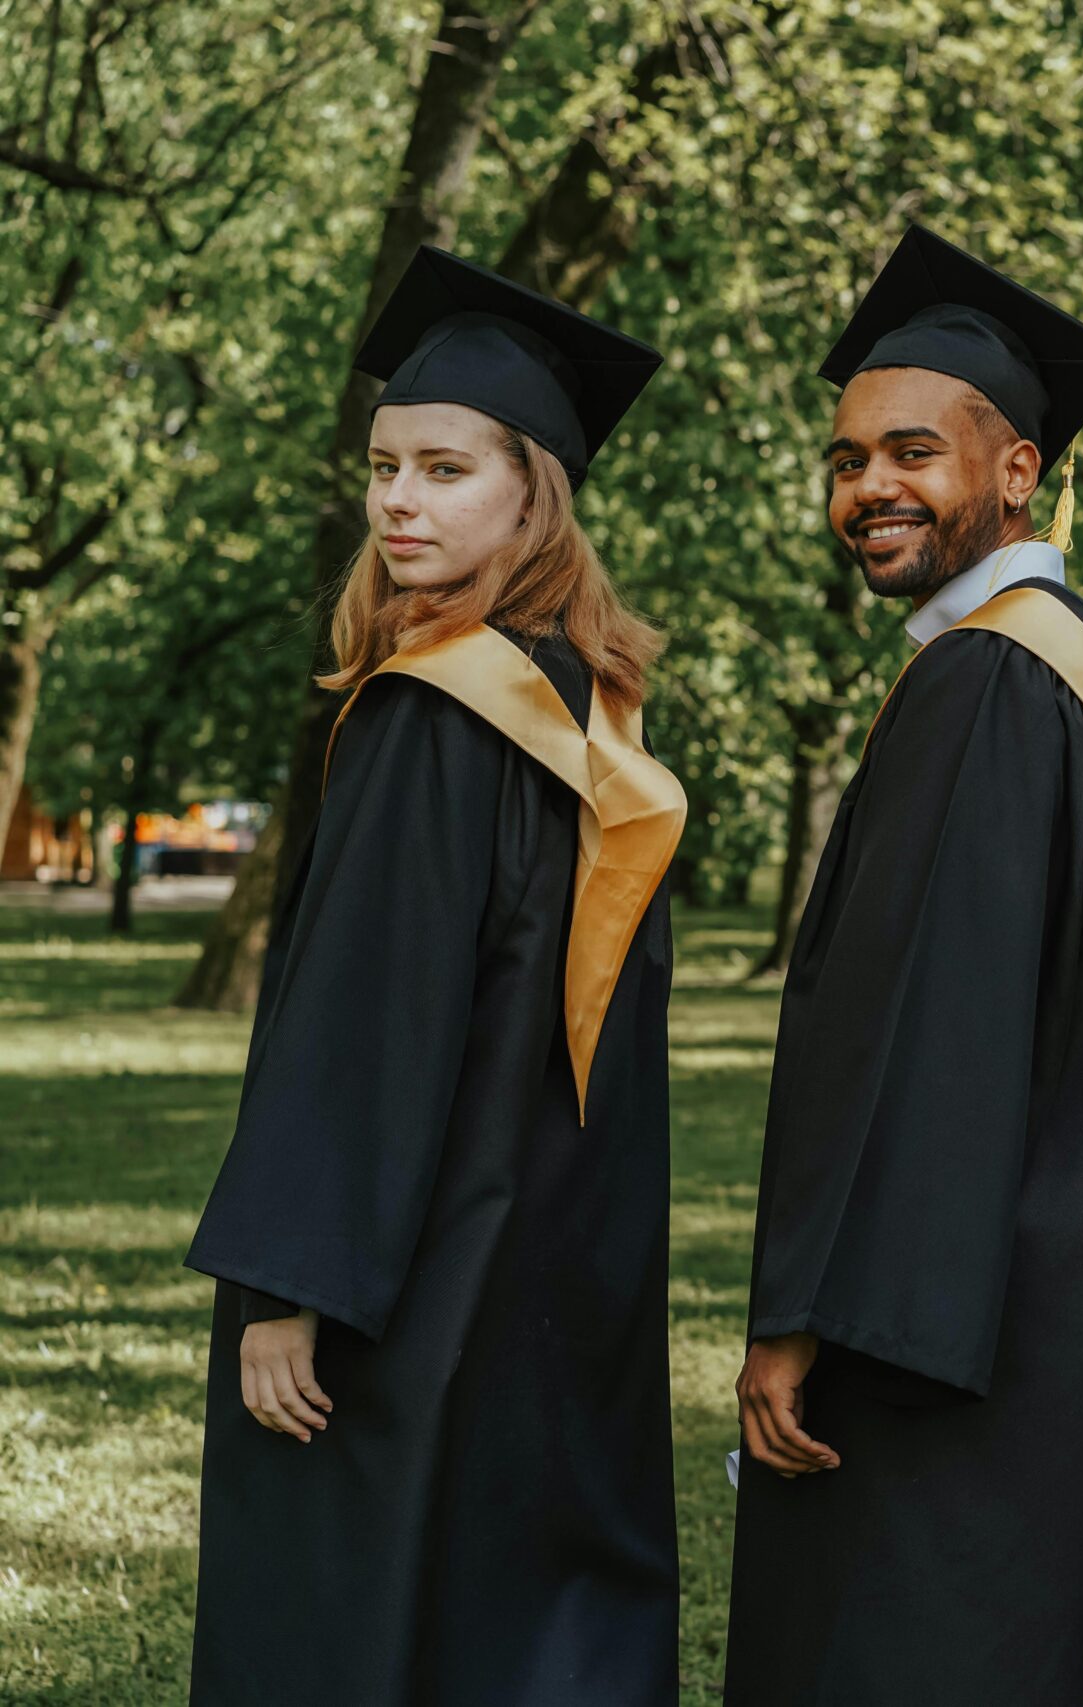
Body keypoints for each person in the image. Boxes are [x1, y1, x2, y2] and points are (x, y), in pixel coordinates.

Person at [723, 225, 1083, 1707]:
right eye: (846, 459)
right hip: (1057, 1292)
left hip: (944, 1328)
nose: (867, 488)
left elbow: (924, 1039)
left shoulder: (992, 682)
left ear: (1017, 472)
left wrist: (806, 1317)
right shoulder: (1080, 669)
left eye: (913, 453)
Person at [185, 247, 685, 1704]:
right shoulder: (591, 712)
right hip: (547, 1257)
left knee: (365, 1600)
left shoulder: (433, 710)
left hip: (404, 1268)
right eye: (385, 466)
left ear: (534, 493)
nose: (400, 500)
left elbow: (370, 1012)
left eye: (446, 469)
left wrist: (289, 1278)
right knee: (509, 1606)